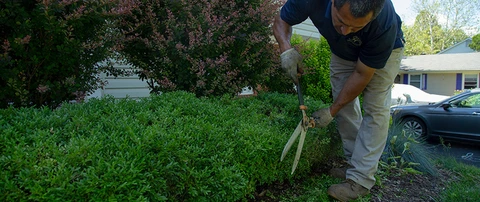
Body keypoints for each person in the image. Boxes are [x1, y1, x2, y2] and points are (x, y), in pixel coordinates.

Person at [273, 0, 404, 201]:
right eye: (341, 21)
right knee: (345, 107)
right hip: (342, 52)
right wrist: (286, 50)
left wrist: (331, 111)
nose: (346, 31)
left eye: (356, 26)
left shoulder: (383, 22)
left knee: (375, 110)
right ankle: (353, 166)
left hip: (382, 51)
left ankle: (360, 179)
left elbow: (362, 74)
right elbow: (282, 20)